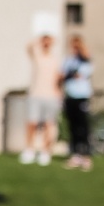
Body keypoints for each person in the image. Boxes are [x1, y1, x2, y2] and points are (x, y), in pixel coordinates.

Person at [21, 33, 61, 166]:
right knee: (32, 123)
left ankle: (45, 151)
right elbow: (28, 47)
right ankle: (29, 149)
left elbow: (58, 78)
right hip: (35, 94)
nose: (46, 44)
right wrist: (39, 40)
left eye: (48, 42)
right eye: (45, 41)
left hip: (50, 96)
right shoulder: (37, 56)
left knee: (48, 125)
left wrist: (58, 94)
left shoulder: (55, 59)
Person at [62, 35, 94, 171]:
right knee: (73, 127)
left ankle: (86, 155)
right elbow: (63, 75)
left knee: (83, 127)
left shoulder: (85, 61)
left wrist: (82, 50)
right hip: (70, 96)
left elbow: (80, 74)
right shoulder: (69, 60)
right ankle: (75, 154)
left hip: (82, 97)